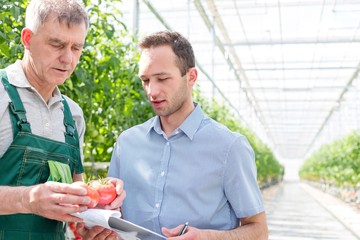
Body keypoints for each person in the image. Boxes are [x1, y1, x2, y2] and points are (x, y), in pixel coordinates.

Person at [106, 30, 268, 239]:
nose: (152, 91)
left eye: (162, 78)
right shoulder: (127, 144)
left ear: (191, 76)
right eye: (145, 80)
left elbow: (258, 230)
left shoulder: (229, 147)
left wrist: (207, 237)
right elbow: (112, 215)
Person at [0, 0, 125, 239]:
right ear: (27, 39)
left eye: (76, 48)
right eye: (56, 44)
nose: (68, 59)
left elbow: (75, 212)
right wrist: (28, 199)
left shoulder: (72, 115)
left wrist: (94, 212)